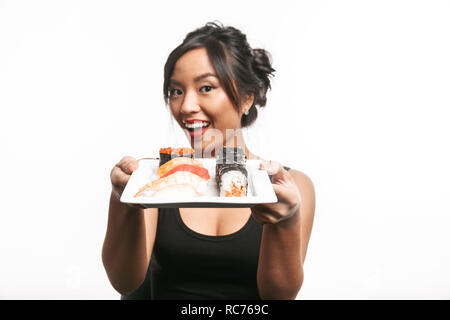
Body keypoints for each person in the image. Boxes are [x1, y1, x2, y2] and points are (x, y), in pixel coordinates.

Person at [102, 22, 315, 300]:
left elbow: (278, 297)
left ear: (246, 98)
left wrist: (285, 222)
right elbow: (124, 281)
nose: (186, 106)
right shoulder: (154, 180)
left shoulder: (291, 186)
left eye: (205, 87)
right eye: (176, 91)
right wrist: (124, 201)